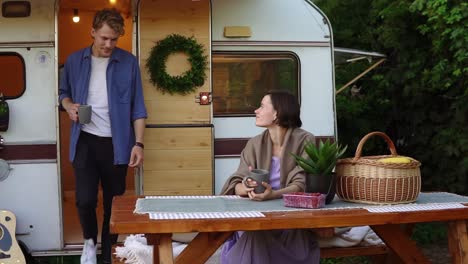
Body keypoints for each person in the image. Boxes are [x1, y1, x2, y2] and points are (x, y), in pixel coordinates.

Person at [58, 8, 147, 264]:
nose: (109, 44)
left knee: (113, 203)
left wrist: (138, 143)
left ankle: (108, 251)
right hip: (84, 140)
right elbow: (62, 92)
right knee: (84, 199)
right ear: (93, 32)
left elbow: (138, 107)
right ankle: (88, 241)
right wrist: (69, 106)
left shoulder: (128, 62)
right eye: (104, 38)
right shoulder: (75, 61)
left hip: (117, 144)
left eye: (114, 39)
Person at [220, 90, 320, 264]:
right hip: (255, 217)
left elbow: (301, 183)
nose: (256, 111)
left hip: (289, 221)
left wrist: (272, 194)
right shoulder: (254, 144)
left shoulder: (306, 140)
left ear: (277, 113)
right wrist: (246, 187)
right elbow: (237, 181)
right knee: (254, 232)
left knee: (256, 236)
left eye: (261, 106)